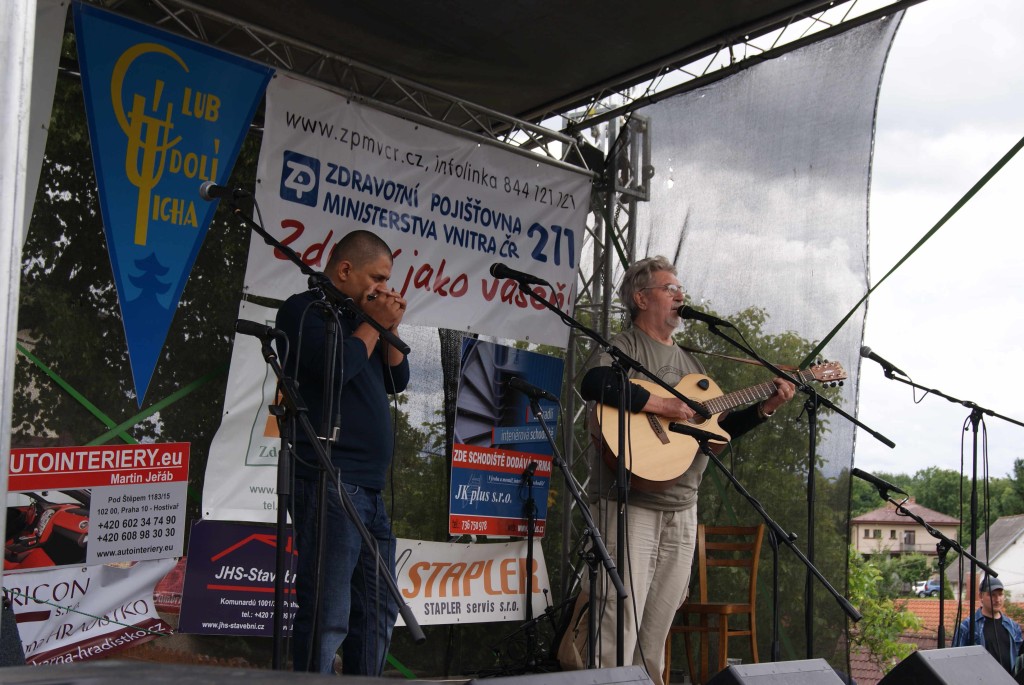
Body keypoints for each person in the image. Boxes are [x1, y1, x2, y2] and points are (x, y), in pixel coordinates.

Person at [579, 256, 795, 685]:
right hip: (629, 504)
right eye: (670, 288)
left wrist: (767, 407)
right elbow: (595, 382)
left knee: (656, 631)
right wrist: (663, 404)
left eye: (681, 289)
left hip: (681, 507)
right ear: (641, 298)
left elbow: (718, 432)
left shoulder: (693, 367)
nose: (680, 296)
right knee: (618, 623)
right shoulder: (625, 346)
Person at [276, 229, 409, 675]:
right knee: (327, 610)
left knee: (377, 607)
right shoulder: (305, 310)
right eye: (378, 278)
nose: (385, 288)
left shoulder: (359, 320)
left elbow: (397, 379)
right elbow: (334, 370)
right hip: (328, 477)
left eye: (387, 281)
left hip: (368, 487)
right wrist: (372, 323)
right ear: (346, 269)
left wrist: (387, 326)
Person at [953, 575, 1022, 676]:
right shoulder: (967, 626)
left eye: (1000, 594)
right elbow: (956, 660)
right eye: (992, 595)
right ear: (981, 596)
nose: (997, 599)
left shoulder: (1013, 626)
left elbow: (1018, 658)